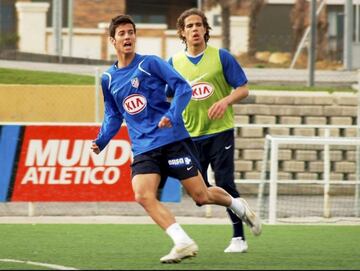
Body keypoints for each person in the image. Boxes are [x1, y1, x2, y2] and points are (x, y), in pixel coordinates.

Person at [91, 14, 261, 264]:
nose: (128, 37)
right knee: (142, 195)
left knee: (201, 196)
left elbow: (183, 88)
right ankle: (182, 242)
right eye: (122, 34)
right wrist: (102, 139)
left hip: (172, 140)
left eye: (131, 32)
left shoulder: (150, 64)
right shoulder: (107, 79)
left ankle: (238, 206)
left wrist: (172, 114)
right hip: (143, 147)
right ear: (112, 41)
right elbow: (113, 114)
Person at [167, 8, 259, 253]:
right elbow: (166, 97)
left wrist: (225, 101)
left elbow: (243, 88)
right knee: (200, 194)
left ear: (206, 30)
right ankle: (242, 208)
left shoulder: (221, 57)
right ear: (182, 33)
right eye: (190, 26)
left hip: (220, 131)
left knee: (225, 182)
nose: (195, 29)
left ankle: (238, 238)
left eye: (199, 25)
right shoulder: (174, 63)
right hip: (189, 136)